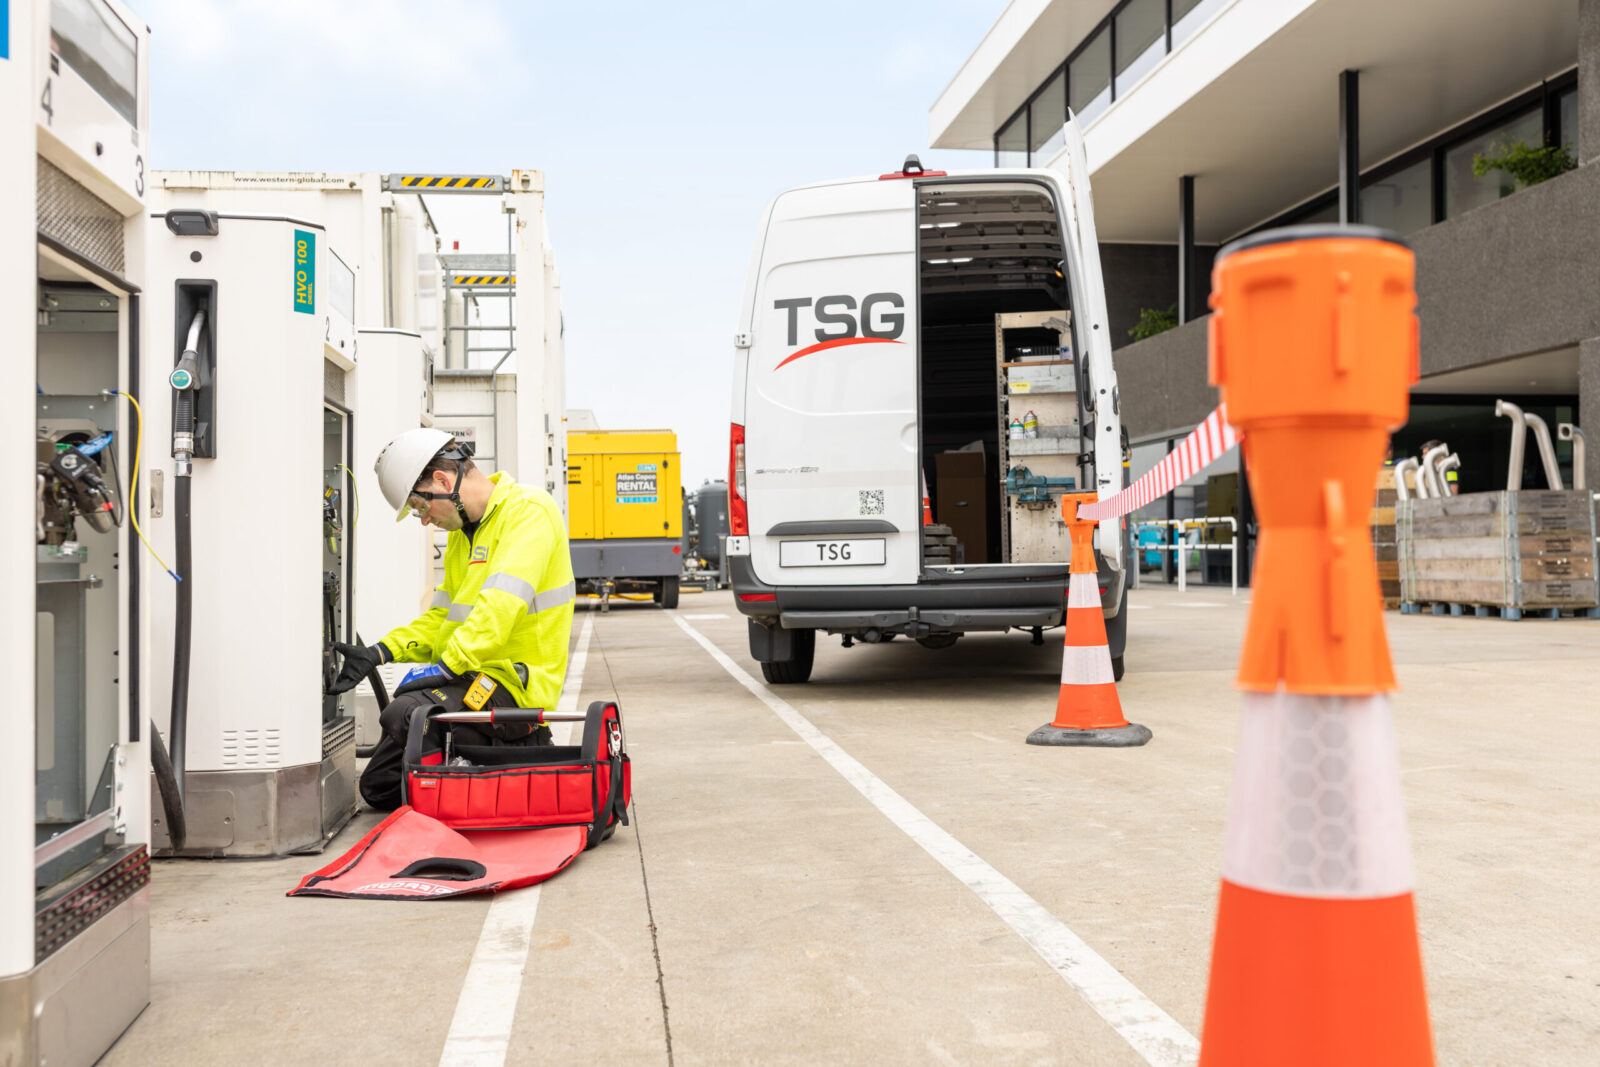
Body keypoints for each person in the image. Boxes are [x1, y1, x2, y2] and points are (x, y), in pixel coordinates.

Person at [328, 429, 575, 810]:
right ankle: (472, 763)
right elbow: (442, 619)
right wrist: (379, 652)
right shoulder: (465, 538)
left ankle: (527, 743)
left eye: (421, 507)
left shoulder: (529, 512)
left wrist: (445, 668)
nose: (425, 521)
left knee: (405, 712)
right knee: (380, 786)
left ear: (444, 482)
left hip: (512, 684)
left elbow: (499, 611)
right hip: (466, 678)